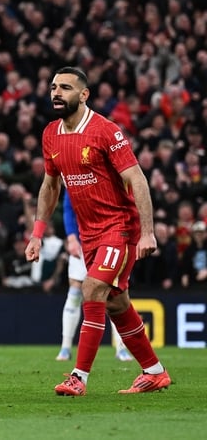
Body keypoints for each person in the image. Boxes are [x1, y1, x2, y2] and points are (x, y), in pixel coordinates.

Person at [25, 66, 170, 397]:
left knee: (92, 289)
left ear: (84, 94)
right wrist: (37, 233)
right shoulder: (50, 134)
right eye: (53, 87)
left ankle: (79, 377)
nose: (56, 93)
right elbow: (50, 185)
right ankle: (154, 371)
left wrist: (147, 232)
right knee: (117, 303)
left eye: (65, 87)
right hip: (90, 234)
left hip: (120, 228)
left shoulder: (106, 131)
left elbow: (137, 179)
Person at [56, 189, 133, 362]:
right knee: (75, 289)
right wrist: (71, 237)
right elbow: (69, 208)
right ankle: (65, 347)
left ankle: (121, 348)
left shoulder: (111, 173)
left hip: (111, 240)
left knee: (115, 292)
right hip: (83, 241)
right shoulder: (74, 173)